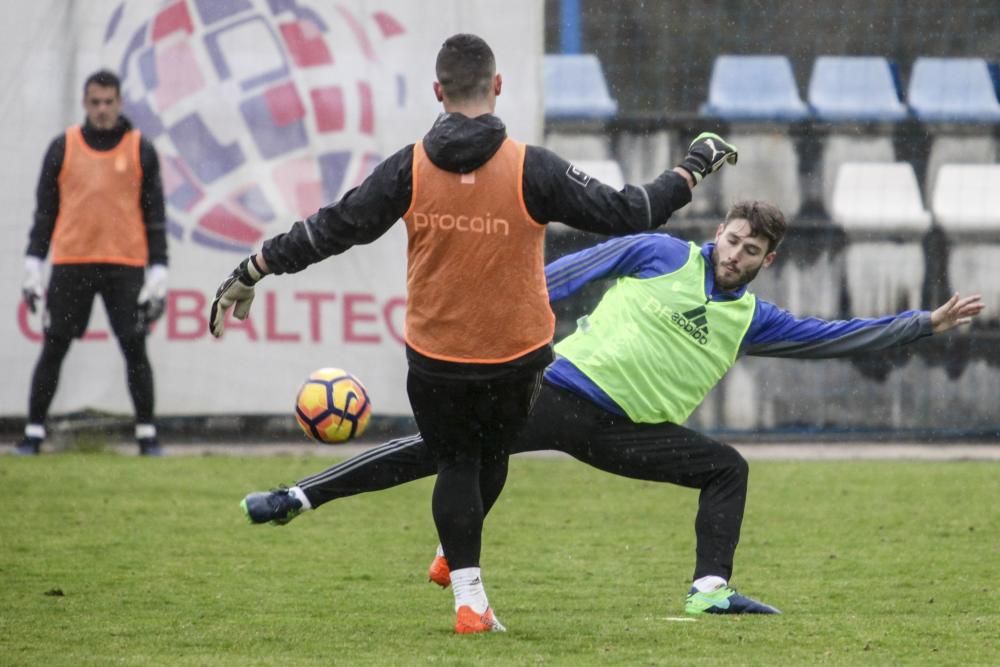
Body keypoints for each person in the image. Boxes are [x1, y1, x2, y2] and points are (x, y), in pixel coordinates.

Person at [209, 33, 738, 634]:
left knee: (457, 461)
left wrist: (255, 269)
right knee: (490, 454)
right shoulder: (530, 167)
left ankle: (469, 596)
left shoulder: (408, 167)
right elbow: (630, 211)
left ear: (438, 92)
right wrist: (693, 165)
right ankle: (460, 577)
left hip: (436, 358)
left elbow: (333, 228)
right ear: (498, 87)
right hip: (516, 360)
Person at [240, 200, 984, 617]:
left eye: (750, 249)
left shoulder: (752, 318)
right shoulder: (660, 252)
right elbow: (561, 275)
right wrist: (501, 311)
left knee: (725, 467)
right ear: (716, 233)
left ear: (767, 259)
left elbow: (835, 337)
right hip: (557, 390)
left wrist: (923, 322)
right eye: (730, 240)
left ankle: (707, 591)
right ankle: (297, 496)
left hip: (627, 433)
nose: (735, 254)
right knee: (438, 449)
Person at [16, 69, 169, 457]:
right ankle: (33, 433)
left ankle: (147, 435)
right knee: (55, 346)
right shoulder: (63, 146)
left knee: (134, 347)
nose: (102, 109)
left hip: (125, 263)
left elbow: (154, 216)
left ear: (119, 102)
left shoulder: (140, 148)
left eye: (109, 102)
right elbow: (45, 213)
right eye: (95, 102)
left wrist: (159, 270)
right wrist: (33, 263)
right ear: (85, 104)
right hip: (73, 261)